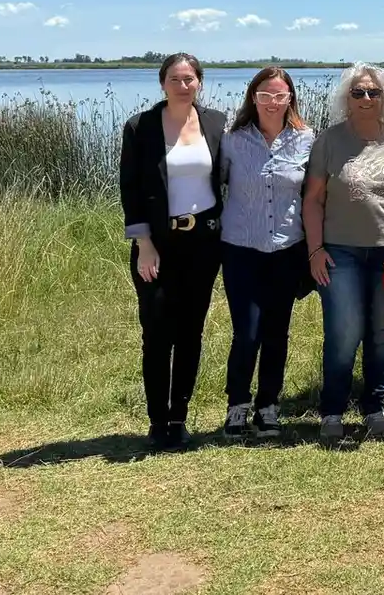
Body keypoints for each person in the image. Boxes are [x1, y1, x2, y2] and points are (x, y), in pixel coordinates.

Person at [303, 63, 384, 442]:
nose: (366, 98)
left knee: (381, 334)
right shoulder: (330, 140)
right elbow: (313, 200)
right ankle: (333, 411)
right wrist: (315, 250)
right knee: (344, 332)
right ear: (347, 98)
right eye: (358, 92)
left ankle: (375, 408)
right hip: (341, 254)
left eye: (374, 92)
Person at [118, 53, 227, 450]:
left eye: (189, 79)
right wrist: (143, 243)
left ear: (200, 82)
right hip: (157, 245)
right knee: (156, 332)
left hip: (203, 244)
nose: (183, 86)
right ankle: (157, 421)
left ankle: (179, 417)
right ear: (162, 83)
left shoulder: (216, 123)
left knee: (191, 332)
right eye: (175, 79)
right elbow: (130, 187)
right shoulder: (141, 126)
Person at [217, 67, 315, 440]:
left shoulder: (306, 139)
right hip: (241, 248)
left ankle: (268, 407)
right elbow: (215, 184)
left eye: (279, 95)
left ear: (290, 98)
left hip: (287, 249)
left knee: (277, 332)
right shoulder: (232, 138)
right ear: (253, 98)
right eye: (265, 95)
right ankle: (237, 405)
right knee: (247, 331)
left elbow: (313, 195)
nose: (272, 103)